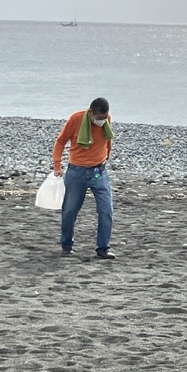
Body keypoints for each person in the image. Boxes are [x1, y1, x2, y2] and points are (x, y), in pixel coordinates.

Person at [52, 97, 116, 259]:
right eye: (99, 118)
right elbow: (60, 142)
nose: (102, 121)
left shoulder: (107, 119)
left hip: (99, 171)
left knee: (106, 210)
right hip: (77, 172)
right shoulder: (76, 119)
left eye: (104, 118)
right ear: (91, 113)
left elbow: (107, 140)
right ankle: (66, 245)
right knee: (69, 210)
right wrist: (57, 165)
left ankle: (103, 248)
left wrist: (107, 157)